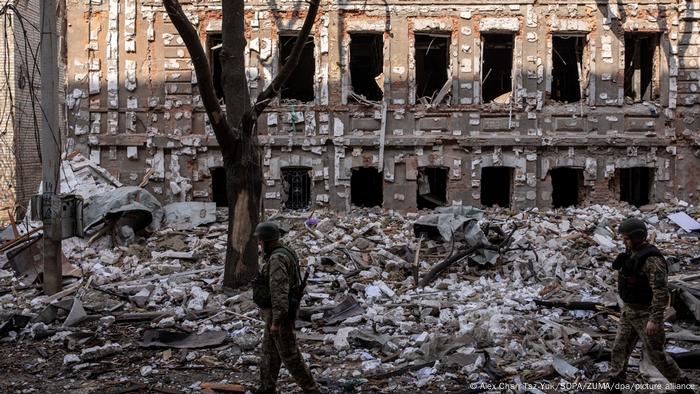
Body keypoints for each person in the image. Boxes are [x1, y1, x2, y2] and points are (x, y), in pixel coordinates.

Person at [609, 218, 692, 393]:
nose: (624, 242)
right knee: (619, 348)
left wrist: (654, 320)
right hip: (629, 312)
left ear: (637, 237)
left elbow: (661, 293)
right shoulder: (631, 253)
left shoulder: (652, 260)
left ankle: (684, 388)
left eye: (626, 238)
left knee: (657, 356)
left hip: (646, 314)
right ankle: (615, 385)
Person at [252, 221, 320, 394]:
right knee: (269, 353)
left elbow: (279, 292)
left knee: (290, 356)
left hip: (280, 316)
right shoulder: (284, 252)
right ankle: (266, 388)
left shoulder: (277, 259)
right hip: (275, 315)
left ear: (268, 240)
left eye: (260, 241)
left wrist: (277, 321)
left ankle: (311, 389)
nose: (259, 244)